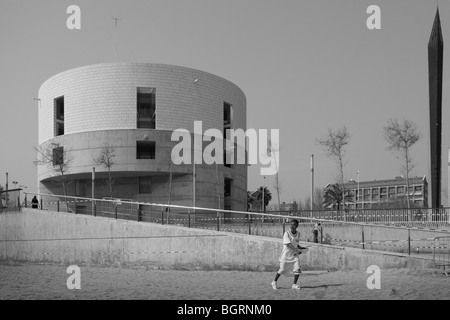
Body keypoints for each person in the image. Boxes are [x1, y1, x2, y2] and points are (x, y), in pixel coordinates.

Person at [271, 219, 306, 290]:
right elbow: (288, 244)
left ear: (297, 226)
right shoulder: (286, 233)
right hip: (286, 255)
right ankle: (274, 282)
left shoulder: (298, 234)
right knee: (281, 269)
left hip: (294, 256)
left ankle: (294, 284)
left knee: (297, 269)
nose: (292, 226)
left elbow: (296, 243)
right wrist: (296, 249)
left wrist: (301, 248)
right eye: (291, 224)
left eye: (294, 225)